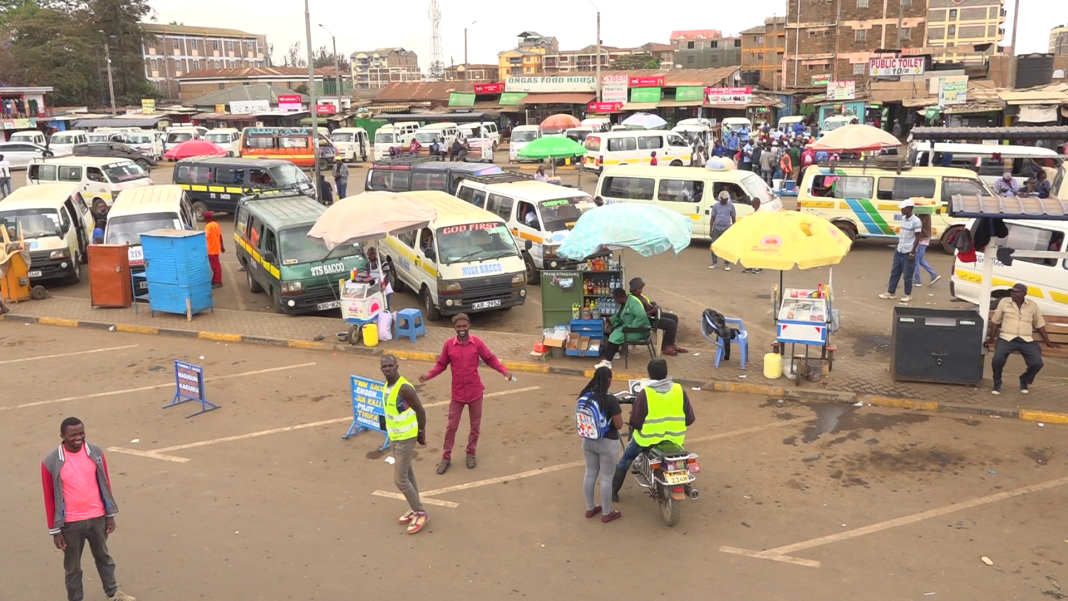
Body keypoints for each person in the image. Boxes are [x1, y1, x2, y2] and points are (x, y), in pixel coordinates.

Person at [42, 417, 135, 601]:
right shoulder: (50, 461)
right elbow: (49, 498)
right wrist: (55, 531)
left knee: (104, 558)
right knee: (73, 567)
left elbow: (105, 483)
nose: (79, 437)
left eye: (81, 433)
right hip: (70, 524)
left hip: (97, 518)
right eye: (73, 434)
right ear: (62, 436)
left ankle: (113, 593)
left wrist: (110, 515)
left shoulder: (95, 452)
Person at [420, 313, 511, 473]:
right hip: (458, 394)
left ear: (469, 326)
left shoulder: (477, 343)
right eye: (458, 326)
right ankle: (446, 458)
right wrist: (428, 375)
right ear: (454, 328)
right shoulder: (449, 345)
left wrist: (503, 371)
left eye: (464, 326)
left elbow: (490, 358)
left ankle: (471, 453)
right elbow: (441, 365)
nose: (461, 329)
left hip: (475, 392)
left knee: (475, 426)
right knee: (451, 427)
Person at [610, 359, 696, 502]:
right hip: (674, 439)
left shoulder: (646, 393)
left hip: (647, 439)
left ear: (650, 375)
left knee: (626, 459)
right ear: (666, 372)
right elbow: (690, 419)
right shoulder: (679, 390)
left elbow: (636, 422)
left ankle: (613, 492)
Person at [380, 355, 430, 534]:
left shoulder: (405, 388)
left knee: (400, 479)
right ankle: (415, 507)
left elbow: (421, 411)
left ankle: (420, 512)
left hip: (406, 438)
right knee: (407, 473)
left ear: (397, 366)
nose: (387, 369)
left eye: (390, 366)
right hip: (395, 437)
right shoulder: (387, 386)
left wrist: (421, 434)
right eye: (384, 366)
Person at [986, 284, 1060, 394]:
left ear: (1024, 293)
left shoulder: (1032, 305)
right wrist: (991, 339)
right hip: (1007, 337)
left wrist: (1048, 342)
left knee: (1037, 363)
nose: (1013, 294)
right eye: (1012, 292)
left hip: (1026, 339)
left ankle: (1024, 379)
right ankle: (997, 382)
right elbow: (996, 322)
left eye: (1016, 292)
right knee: (997, 359)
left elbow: (1039, 323)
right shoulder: (1004, 302)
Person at [576, 366, 624, 523]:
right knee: (607, 478)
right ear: (609, 380)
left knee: (590, 473)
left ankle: (590, 508)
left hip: (588, 440)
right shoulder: (610, 399)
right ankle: (606, 512)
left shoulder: (585, 394)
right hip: (607, 443)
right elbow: (618, 425)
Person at [629, 277, 686, 356]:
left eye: (641, 288)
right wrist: (652, 311)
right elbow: (641, 315)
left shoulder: (639, 295)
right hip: (648, 320)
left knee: (674, 318)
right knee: (671, 324)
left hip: (654, 314)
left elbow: (646, 303)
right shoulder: (633, 300)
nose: (641, 290)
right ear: (634, 289)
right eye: (639, 288)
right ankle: (665, 347)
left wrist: (652, 304)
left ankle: (671, 343)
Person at [878, 199, 921, 303]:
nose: (901, 209)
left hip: (908, 252)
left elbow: (917, 238)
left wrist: (912, 252)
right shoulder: (903, 218)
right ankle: (891, 292)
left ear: (909, 208)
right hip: (899, 250)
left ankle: (908, 294)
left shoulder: (916, 221)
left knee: (907, 275)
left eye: (903, 208)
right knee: (895, 272)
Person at [600, 287, 651, 366]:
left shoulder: (632, 302)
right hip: (632, 329)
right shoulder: (625, 302)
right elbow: (620, 316)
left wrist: (632, 326)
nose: (615, 301)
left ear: (618, 298)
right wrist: (609, 319)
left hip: (641, 330)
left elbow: (642, 315)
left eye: (615, 299)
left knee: (615, 335)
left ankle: (607, 362)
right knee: (614, 331)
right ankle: (613, 355)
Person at [708, 190, 736, 270]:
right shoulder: (716, 206)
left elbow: (733, 218)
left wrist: (733, 229)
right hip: (716, 228)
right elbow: (712, 218)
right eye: (723, 199)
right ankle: (714, 263)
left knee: (726, 246)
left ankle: (727, 264)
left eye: (726, 199)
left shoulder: (731, 206)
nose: (725, 200)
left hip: (726, 228)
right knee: (714, 246)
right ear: (720, 198)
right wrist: (711, 229)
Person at [912, 213, 940, 288]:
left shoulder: (921, 217)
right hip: (925, 239)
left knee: (916, 259)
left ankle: (917, 280)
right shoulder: (926, 215)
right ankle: (933, 274)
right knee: (920, 259)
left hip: (921, 239)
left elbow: (917, 228)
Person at [202, 210, 224, 288]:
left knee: (215, 267)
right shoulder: (216, 224)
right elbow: (220, 235)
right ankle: (215, 280)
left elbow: (205, 237)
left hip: (211, 249)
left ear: (205, 218)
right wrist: (222, 246)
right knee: (216, 265)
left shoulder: (208, 226)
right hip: (216, 248)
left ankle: (218, 281)